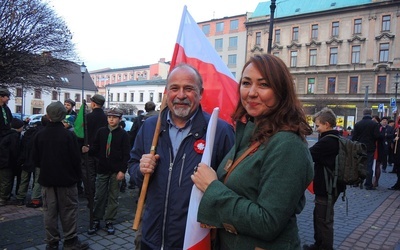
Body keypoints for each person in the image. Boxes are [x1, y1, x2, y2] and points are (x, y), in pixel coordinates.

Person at [191, 54, 313, 249]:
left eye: (263, 85)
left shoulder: (287, 145)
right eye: (246, 83)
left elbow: (268, 222)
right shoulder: (251, 133)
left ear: (281, 91)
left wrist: (212, 187)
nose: (251, 92)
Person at [128, 64, 235, 249]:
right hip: (150, 237)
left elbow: (233, 186)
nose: (181, 95)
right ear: (166, 92)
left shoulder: (219, 130)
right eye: (174, 88)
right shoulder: (150, 127)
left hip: (193, 241)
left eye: (189, 89)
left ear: (200, 93)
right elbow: (132, 165)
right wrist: (140, 169)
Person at [32, 101, 88, 249]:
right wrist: (76, 177)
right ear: (63, 115)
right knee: (68, 211)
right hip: (67, 180)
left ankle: (52, 242)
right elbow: (76, 160)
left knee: (49, 213)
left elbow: (35, 160)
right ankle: (70, 241)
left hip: (47, 180)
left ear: (48, 116)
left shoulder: (40, 135)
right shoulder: (68, 136)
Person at [83, 108, 130, 235]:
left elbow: (126, 155)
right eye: (109, 117)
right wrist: (88, 149)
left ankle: (110, 220)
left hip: (116, 171)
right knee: (99, 196)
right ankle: (96, 219)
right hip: (102, 168)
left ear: (119, 119)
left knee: (113, 197)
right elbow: (96, 148)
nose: (111, 119)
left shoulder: (123, 135)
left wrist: (122, 171)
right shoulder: (101, 132)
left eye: (114, 117)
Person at [303, 108, 345, 250]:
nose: (317, 128)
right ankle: (318, 244)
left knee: (324, 219)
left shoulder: (328, 141)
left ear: (326, 124)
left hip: (327, 186)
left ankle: (325, 247)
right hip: (333, 185)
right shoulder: (337, 138)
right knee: (320, 215)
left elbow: (308, 155)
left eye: (318, 125)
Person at [81, 94, 107, 204]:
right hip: (103, 151)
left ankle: (91, 198)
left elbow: (82, 133)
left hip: (89, 150)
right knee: (101, 176)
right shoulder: (107, 118)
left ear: (94, 104)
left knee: (89, 175)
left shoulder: (88, 117)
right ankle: (101, 199)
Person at [351, 108, 380, 190]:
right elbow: (377, 136)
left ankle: (356, 182)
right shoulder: (374, 124)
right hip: (370, 147)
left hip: (359, 147)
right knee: (369, 166)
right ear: (371, 114)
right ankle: (368, 184)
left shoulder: (358, 124)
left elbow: (354, 137)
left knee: (358, 164)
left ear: (363, 113)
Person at [25, 116, 49, 208]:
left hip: (36, 160)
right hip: (42, 160)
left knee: (36, 179)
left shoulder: (36, 132)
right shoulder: (44, 133)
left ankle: (36, 197)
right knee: (38, 180)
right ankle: (36, 199)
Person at [0, 118, 24, 206]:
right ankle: (3, 198)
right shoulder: (14, 136)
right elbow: (14, 150)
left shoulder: (7, 134)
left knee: (4, 180)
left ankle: (5, 196)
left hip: (4, 161)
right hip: (7, 162)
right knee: (6, 181)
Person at [374, 116, 394, 186]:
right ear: (381, 121)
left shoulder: (389, 128)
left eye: (386, 120)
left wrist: (386, 135)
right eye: (383, 120)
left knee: (379, 162)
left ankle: (377, 180)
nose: (385, 121)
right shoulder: (377, 127)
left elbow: (392, 135)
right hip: (375, 147)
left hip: (384, 146)